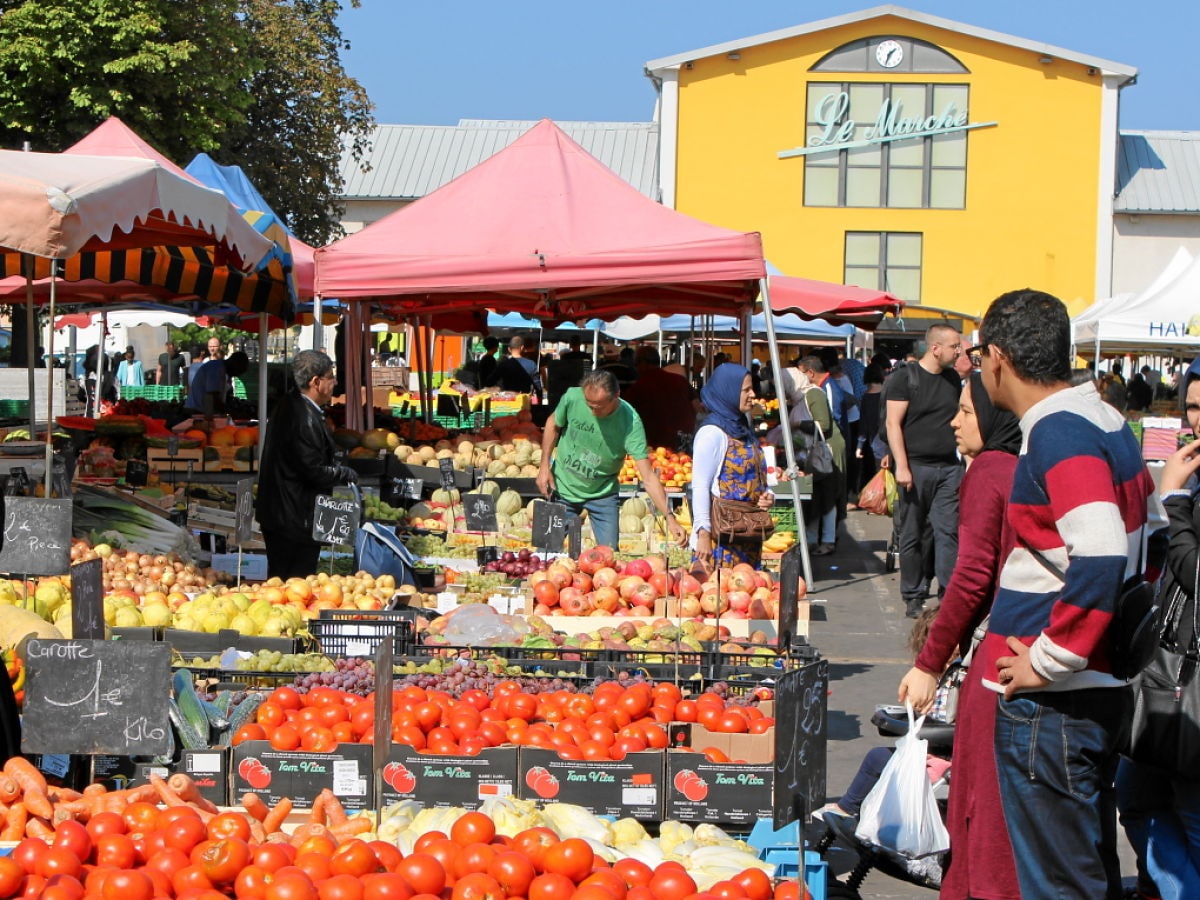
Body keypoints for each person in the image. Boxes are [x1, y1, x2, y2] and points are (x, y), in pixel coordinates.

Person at [976, 288, 1162, 899]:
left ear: (997, 357)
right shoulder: (1103, 418)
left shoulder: (1060, 429)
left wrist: (1051, 657)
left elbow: (1104, 550)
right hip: (1090, 690)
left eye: (979, 357)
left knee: (1061, 883)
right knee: (1084, 872)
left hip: (1056, 702)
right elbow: (1144, 541)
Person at [897, 372, 1022, 900]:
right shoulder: (1026, 468)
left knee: (980, 809)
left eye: (966, 411)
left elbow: (970, 577)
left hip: (999, 658)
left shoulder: (991, 470)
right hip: (1031, 657)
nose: (954, 420)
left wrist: (928, 663)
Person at [1117, 356, 1200, 900]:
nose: (1198, 421)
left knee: (1190, 817)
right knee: (1136, 792)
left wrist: (1171, 503)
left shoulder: (1185, 490)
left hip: (1193, 688)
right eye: (1193, 407)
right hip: (1172, 673)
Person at [536, 369, 686, 550]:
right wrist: (544, 466)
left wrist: (669, 517)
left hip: (603, 494)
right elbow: (553, 423)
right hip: (561, 488)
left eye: (598, 407)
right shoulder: (572, 397)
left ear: (616, 396)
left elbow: (648, 476)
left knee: (608, 556)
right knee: (544, 553)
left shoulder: (630, 421)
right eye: (589, 405)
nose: (592, 412)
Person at [256, 350, 358, 579]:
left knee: (283, 579)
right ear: (316, 382)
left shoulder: (292, 405)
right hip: (294, 518)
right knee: (295, 582)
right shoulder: (303, 416)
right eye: (330, 377)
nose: (334, 382)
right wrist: (343, 473)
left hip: (284, 512)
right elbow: (311, 470)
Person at [885, 324, 964, 618]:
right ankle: (913, 595)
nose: (959, 352)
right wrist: (902, 466)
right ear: (936, 348)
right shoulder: (905, 378)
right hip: (915, 469)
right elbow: (893, 424)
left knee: (948, 533)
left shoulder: (953, 378)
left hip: (948, 467)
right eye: (955, 346)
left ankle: (948, 594)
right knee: (912, 534)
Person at [690, 363, 774, 570]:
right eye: (745, 390)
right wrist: (703, 533)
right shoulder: (712, 433)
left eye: (751, 389)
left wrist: (767, 495)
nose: (752, 394)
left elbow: (756, 475)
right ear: (728, 391)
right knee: (720, 595)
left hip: (749, 534)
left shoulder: (742, 427)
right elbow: (700, 486)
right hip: (721, 540)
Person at [787, 361, 844, 555]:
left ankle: (827, 540)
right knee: (814, 496)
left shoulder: (813, 393)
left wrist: (797, 423)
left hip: (824, 451)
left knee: (826, 496)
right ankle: (812, 540)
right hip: (811, 450)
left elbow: (823, 425)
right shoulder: (800, 398)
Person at [620, 346, 696, 449]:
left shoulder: (640, 386)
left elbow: (624, 413)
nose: (636, 368)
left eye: (636, 364)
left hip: (657, 444)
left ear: (643, 363)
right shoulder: (679, 380)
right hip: (685, 439)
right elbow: (696, 405)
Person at [185, 351, 249, 419]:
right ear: (233, 363)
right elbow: (213, 397)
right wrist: (231, 413)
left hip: (202, 411)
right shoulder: (216, 369)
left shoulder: (221, 369)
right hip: (197, 412)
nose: (236, 375)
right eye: (238, 371)